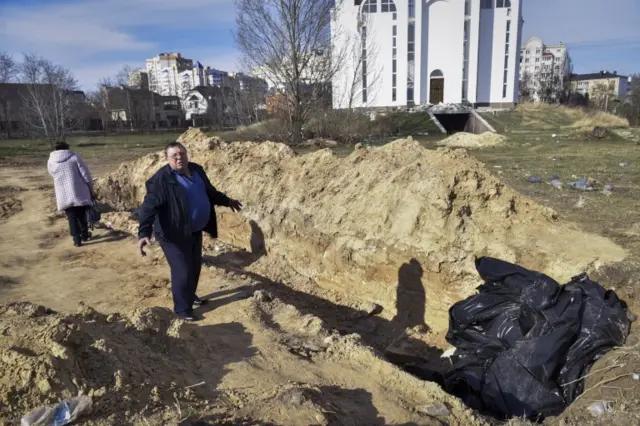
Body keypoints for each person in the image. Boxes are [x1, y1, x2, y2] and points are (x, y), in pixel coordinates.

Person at [137, 141, 242, 321]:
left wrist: (227, 201)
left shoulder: (196, 170)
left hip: (193, 230)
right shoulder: (161, 181)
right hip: (172, 234)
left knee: (194, 267)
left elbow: (210, 192)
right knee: (182, 270)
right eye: (174, 156)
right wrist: (144, 233)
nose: (179, 158)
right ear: (167, 159)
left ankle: (189, 296)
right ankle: (182, 309)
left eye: (182, 154)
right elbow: (148, 208)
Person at [47, 142, 95, 247]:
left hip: (63, 193)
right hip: (79, 191)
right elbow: (85, 173)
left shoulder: (51, 160)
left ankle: (76, 239)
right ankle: (85, 235)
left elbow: (52, 174)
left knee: (71, 217)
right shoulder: (74, 157)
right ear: (67, 148)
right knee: (82, 215)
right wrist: (91, 187)